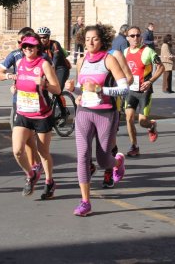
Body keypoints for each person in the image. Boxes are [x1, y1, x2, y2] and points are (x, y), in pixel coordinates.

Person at [65, 23, 128, 216]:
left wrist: (101, 90)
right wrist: (73, 90)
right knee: (83, 156)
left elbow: (124, 88)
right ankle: (85, 201)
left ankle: (118, 162)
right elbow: (83, 89)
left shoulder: (109, 60)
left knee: (103, 161)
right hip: (84, 111)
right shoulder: (81, 61)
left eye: (95, 39)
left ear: (102, 41)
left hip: (106, 113)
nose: (90, 42)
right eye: (87, 39)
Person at [12, 32, 61, 199]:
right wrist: (15, 87)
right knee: (18, 151)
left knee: (43, 152)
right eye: (25, 46)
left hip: (41, 115)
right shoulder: (19, 63)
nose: (27, 49)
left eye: (31, 46)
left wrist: (45, 84)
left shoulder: (44, 64)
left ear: (37, 47)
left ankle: (49, 182)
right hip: (23, 113)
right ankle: (31, 175)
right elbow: (19, 81)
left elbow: (57, 89)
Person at [0, 27, 45, 175]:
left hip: (38, 104)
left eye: (23, 42)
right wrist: (10, 77)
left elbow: (50, 77)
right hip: (19, 102)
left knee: (33, 138)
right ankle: (34, 166)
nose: (21, 46)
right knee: (24, 137)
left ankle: (38, 164)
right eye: (19, 43)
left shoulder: (41, 57)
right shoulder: (15, 55)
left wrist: (43, 83)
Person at [123, 26, 164, 157]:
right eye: (132, 35)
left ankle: (151, 125)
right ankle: (134, 146)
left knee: (142, 122)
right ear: (127, 38)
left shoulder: (148, 51)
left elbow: (161, 67)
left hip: (144, 91)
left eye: (138, 35)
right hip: (130, 90)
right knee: (129, 118)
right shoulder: (125, 52)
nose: (136, 38)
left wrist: (150, 81)